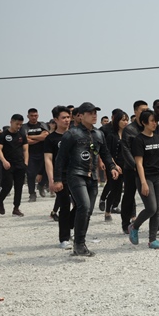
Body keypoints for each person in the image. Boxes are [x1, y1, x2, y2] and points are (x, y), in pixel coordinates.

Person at [54, 102, 120, 256]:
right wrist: (57, 179)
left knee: (88, 210)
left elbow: (105, 153)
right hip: (76, 175)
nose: (94, 115)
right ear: (80, 116)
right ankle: (79, 244)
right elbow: (60, 158)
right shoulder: (71, 134)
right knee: (83, 206)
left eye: (95, 112)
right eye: (90, 113)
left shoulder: (99, 134)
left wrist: (112, 166)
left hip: (93, 177)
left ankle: (79, 243)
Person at [128, 110, 159, 249]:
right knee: (151, 208)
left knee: (157, 210)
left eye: (155, 121)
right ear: (144, 122)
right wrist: (143, 182)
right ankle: (134, 226)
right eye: (151, 121)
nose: (154, 123)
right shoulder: (139, 140)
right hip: (146, 178)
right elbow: (139, 163)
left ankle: (152, 240)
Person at [44, 106, 75, 249]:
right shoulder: (51, 139)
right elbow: (48, 160)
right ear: (56, 120)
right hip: (60, 177)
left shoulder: (75, 134)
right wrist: (52, 179)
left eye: (68, 117)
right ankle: (64, 238)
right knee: (64, 206)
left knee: (83, 205)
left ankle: (70, 226)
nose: (67, 120)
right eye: (63, 118)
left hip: (76, 174)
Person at [0, 114, 29, 216]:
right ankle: (0, 201)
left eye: (20, 124)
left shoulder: (22, 135)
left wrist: (26, 162)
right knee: (8, 185)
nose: (18, 126)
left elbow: (26, 150)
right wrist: (4, 161)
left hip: (20, 164)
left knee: (19, 187)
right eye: (17, 124)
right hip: (8, 164)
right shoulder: (3, 135)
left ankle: (16, 208)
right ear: (11, 122)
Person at [101, 110, 128, 221]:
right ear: (117, 121)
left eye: (127, 120)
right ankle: (107, 211)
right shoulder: (111, 135)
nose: (125, 122)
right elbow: (107, 152)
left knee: (126, 189)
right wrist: (114, 165)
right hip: (114, 166)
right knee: (114, 189)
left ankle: (131, 215)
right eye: (123, 120)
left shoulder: (128, 134)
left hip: (126, 165)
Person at [22, 108, 49, 201]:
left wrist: (31, 137)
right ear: (28, 116)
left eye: (35, 115)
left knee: (47, 171)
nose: (34, 117)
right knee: (31, 174)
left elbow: (46, 136)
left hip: (44, 152)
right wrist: (39, 138)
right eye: (32, 116)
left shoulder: (43, 125)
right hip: (30, 154)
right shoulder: (24, 127)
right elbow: (25, 140)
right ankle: (32, 194)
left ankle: (41, 185)